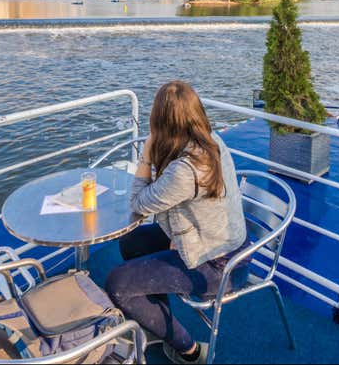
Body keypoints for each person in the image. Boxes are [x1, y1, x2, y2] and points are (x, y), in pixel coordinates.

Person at [105, 81, 248, 364]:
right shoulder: (211, 140)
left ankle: (190, 351)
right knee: (131, 243)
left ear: (160, 121)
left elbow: (138, 203)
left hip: (217, 267)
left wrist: (146, 155)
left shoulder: (186, 169)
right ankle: (159, 322)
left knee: (117, 283)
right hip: (225, 245)